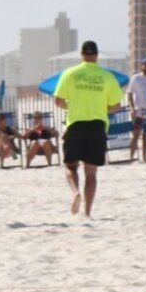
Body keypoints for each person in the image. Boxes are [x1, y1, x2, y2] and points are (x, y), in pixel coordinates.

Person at [53, 41, 122, 219]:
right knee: (91, 173)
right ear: (97, 56)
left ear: (82, 55)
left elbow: (58, 101)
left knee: (70, 166)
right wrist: (101, 108)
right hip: (97, 125)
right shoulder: (107, 76)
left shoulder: (70, 73)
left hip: (76, 123)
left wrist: (73, 105)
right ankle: (88, 212)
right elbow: (116, 105)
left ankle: (76, 192)